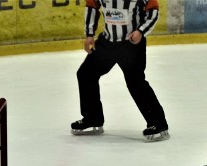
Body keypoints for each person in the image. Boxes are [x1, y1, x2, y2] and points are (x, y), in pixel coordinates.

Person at [70, 0, 170, 142]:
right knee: (86, 74)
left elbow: (153, 11)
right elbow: (92, 7)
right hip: (107, 43)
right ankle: (93, 118)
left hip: (131, 44)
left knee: (135, 82)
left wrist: (141, 31)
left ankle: (158, 124)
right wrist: (89, 35)